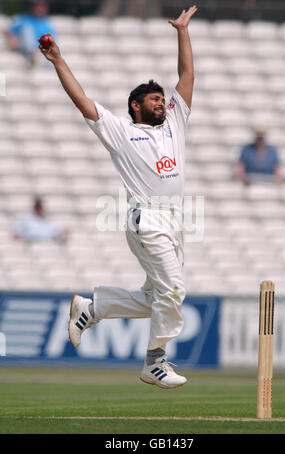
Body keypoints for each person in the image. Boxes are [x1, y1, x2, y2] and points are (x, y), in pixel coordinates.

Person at [39, 5, 197, 389]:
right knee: (174, 290)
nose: (162, 103)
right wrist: (58, 60)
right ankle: (154, 362)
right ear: (136, 105)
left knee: (158, 296)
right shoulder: (120, 131)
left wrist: (182, 31)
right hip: (148, 219)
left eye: (163, 99)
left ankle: (94, 308)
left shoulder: (175, 122)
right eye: (155, 100)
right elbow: (83, 102)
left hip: (174, 221)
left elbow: (188, 75)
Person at [4, 0, 56, 67]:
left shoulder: (48, 24)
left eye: (41, 5)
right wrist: (12, 41)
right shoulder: (23, 19)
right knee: (27, 30)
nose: (39, 8)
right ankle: (32, 55)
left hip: (42, 53)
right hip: (25, 51)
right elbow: (8, 31)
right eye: (36, 5)